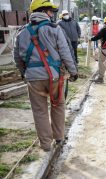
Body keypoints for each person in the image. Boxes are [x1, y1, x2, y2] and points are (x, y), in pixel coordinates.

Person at [13, 0, 78, 152]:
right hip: (54, 77)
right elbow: (65, 53)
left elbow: (17, 57)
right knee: (58, 105)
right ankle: (59, 137)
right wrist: (73, 72)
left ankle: (46, 145)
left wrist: (24, 73)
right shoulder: (55, 29)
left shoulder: (22, 32)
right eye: (50, 11)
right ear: (43, 11)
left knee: (39, 111)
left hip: (33, 78)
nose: (52, 14)